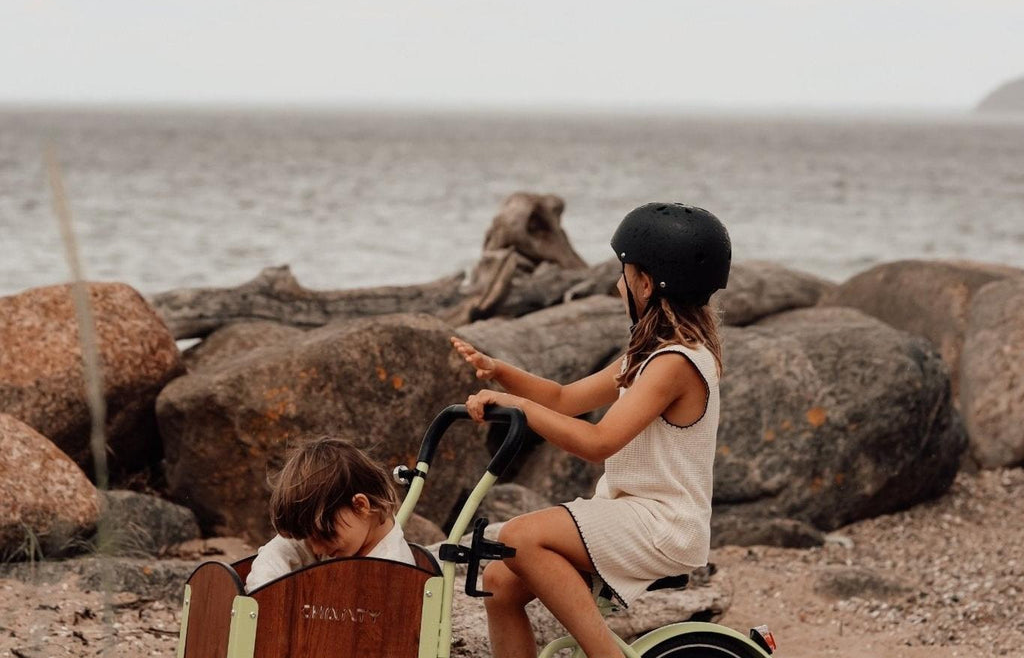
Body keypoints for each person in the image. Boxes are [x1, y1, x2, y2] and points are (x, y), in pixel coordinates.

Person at [451, 202, 729, 658]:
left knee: (519, 535)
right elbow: (563, 398)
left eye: (624, 274)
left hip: (661, 524)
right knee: (500, 579)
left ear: (646, 283)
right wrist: (498, 370)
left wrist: (517, 406)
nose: (618, 285)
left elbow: (599, 443)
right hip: (629, 514)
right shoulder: (647, 356)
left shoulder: (675, 363)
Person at [244, 436, 415, 593]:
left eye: (323, 536)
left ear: (360, 506)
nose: (317, 549)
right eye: (310, 538)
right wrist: (268, 600)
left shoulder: (394, 571)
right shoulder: (331, 536)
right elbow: (274, 556)